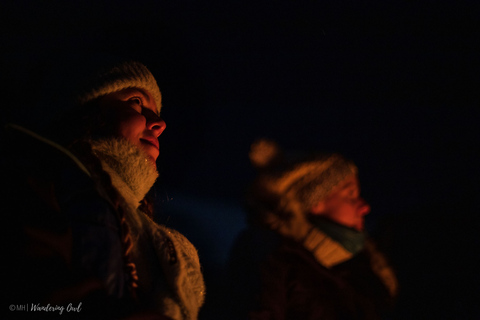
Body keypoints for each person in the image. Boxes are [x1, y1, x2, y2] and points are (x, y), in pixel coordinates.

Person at [1, 56, 205, 319]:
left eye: (157, 112)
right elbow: (34, 292)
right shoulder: (40, 178)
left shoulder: (137, 225)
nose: (159, 122)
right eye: (135, 101)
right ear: (86, 109)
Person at [225, 139, 397, 319]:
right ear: (315, 203)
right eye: (350, 195)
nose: (365, 207)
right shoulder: (269, 257)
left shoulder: (367, 268)